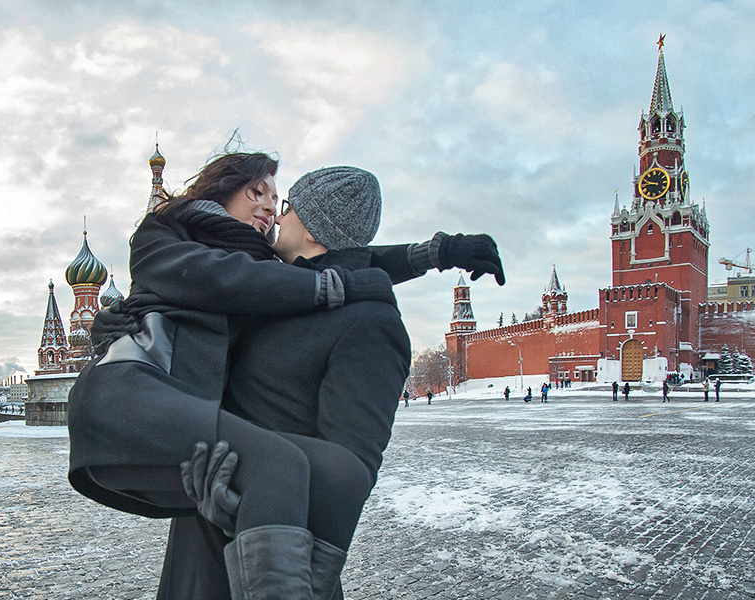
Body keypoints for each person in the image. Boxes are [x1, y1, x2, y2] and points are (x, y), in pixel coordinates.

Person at [74, 155, 505, 600]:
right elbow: (264, 276)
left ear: (314, 228)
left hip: (275, 551)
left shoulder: (368, 322)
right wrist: (136, 321)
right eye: (260, 196)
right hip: (197, 538)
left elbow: (350, 467)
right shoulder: (269, 290)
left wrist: (249, 501)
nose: (275, 214)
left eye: (287, 205)